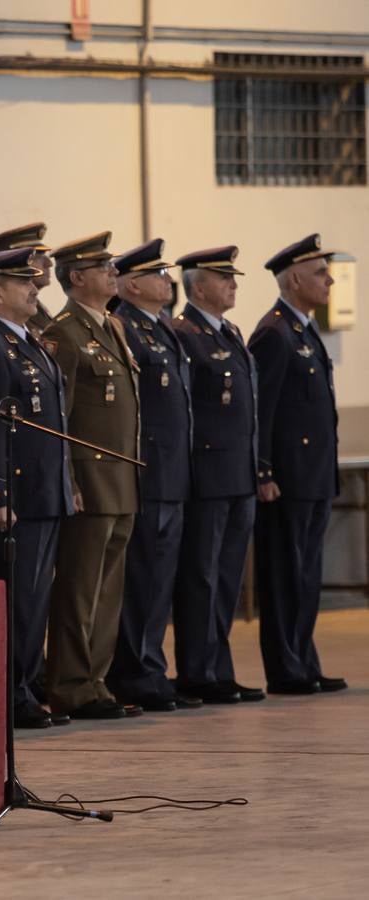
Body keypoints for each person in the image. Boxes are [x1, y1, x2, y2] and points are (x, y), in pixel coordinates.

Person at [0, 246, 74, 729]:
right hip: (18, 494)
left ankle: (28, 687)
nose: (35, 287)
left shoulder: (28, 338)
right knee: (19, 599)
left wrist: (66, 482)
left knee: (36, 599)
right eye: (22, 282)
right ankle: (12, 693)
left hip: (45, 490)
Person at [41, 232, 141, 720]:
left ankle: (95, 680)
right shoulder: (65, 332)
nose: (113, 273)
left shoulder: (112, 328)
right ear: (77, 277)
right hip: (89, 480)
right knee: (79, 590)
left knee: (107, 591)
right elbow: (59, 417)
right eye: (103, 267)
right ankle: (70, 683)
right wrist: (69, 481)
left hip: (122, 480)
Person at [249, 234, 347, 695]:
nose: (329, 280)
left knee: (307, 574)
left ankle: (304, 660)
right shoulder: (273, 332)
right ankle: (286, 668)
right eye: (320, 273)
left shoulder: (305, 330)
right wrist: (263, 470)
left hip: (313, 475)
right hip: (286, 478)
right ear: (294, 279)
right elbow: (262, 410)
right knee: (285, 574)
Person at [105, 240, 199, 712]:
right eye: (159, 274)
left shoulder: (159, 328)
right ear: (133, 283)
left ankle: (151, 668)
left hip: (171, 474)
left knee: (160, 580)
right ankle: (135, 672)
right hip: (147, 473)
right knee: (142, 578)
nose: (168, 281)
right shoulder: (126, 328)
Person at [170, 245, 265, 704]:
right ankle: (197, 671)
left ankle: (218, 668)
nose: (233, 285)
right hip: (207, 475)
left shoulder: (230, 330)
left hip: (238, 475)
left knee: (227, 579)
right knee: (201, 577)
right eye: (223, 278)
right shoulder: (185, 333)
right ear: (199, 285)